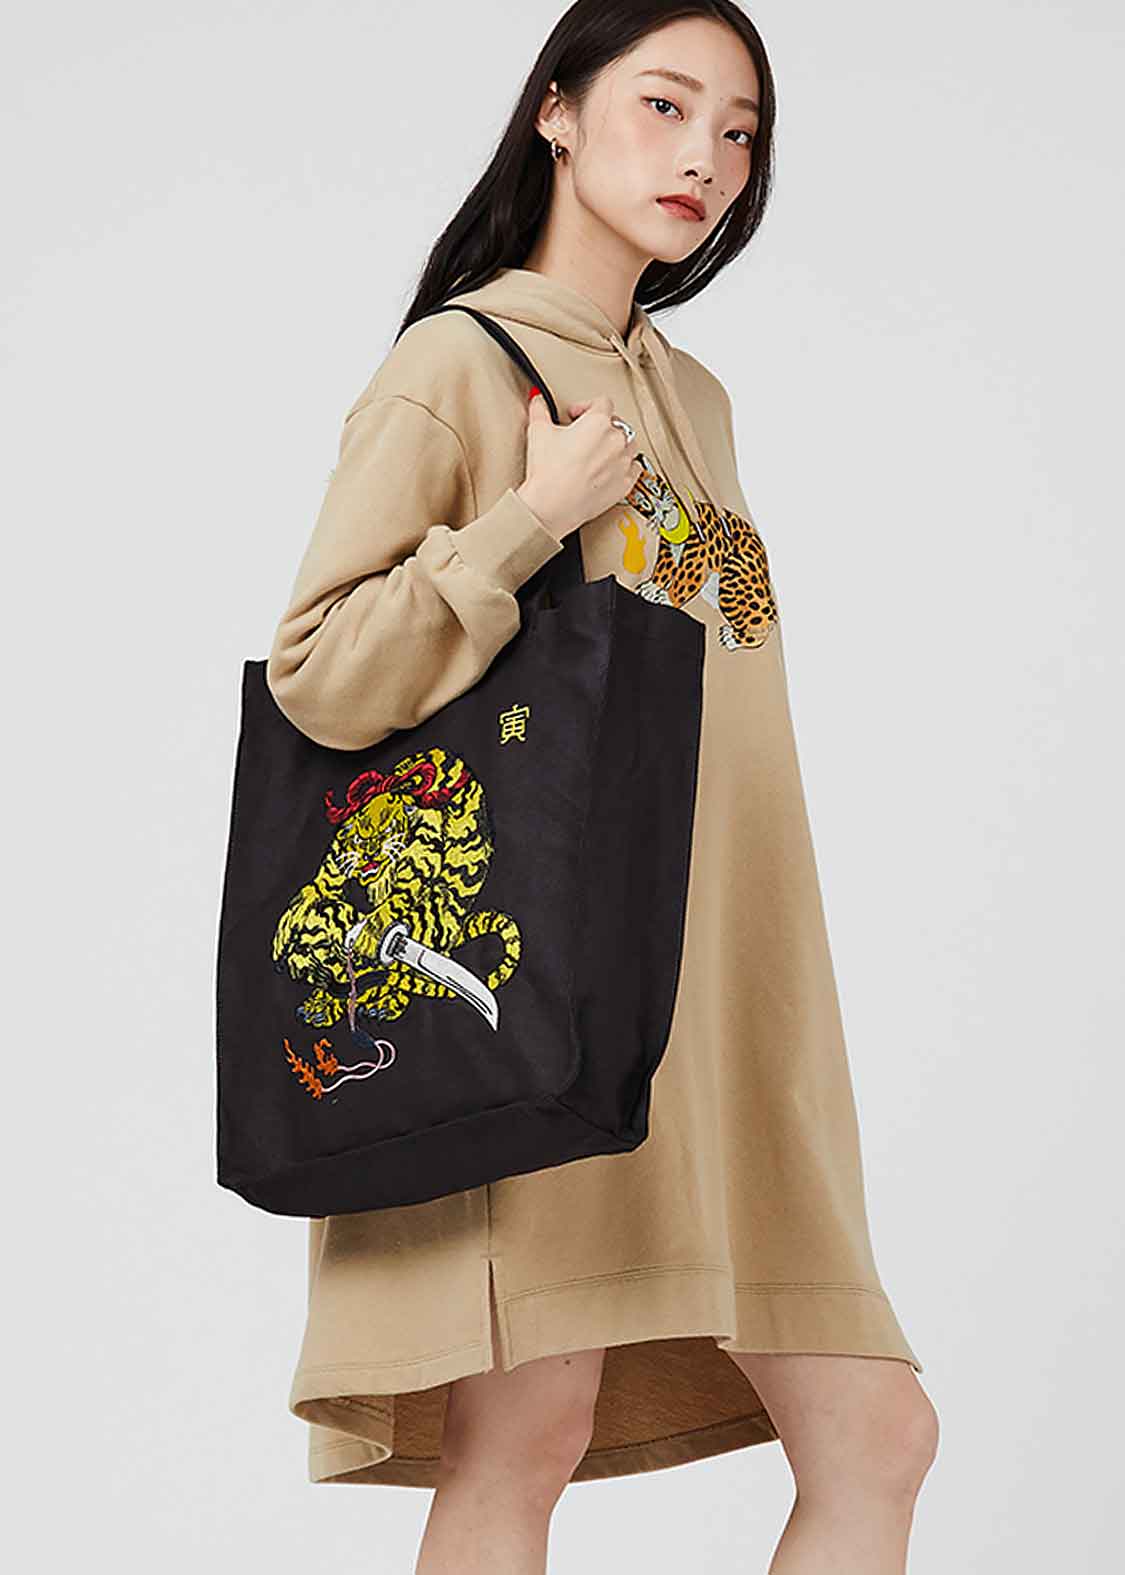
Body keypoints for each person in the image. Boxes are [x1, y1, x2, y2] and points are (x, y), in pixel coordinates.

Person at [265, 2, 939, 1570]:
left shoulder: (692, 397)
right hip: (550, 995)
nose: (706, 155)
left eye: (739, 130)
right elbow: (321, 671)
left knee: (875, 1436)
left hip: (726, 1007)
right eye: (664, 105)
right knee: (525, 1432)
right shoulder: (456, 364)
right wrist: (528, 517)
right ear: (557, 112)